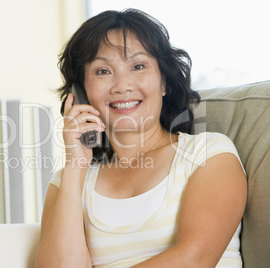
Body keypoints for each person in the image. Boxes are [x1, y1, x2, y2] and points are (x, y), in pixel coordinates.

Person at [35, 9, 247, 268]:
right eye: (103, 71)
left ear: (164, 83)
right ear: (81, 93)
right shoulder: (66, 181)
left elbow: (194, 259)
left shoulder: (208, 154)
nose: (122, 86)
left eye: (138, 66)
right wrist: (75, 167)